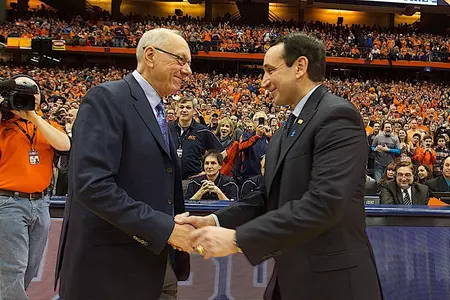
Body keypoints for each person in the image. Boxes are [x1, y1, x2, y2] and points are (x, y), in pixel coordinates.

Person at [178, 33, 382, 300]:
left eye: (270, 70)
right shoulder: (287, 129)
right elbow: (268, 198)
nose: (263, 82)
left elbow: (325, 203)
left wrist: (237, 239)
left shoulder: (337, 116)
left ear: (300, 67)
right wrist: (215, 220)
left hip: (333, 284)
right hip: (289, 280)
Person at [55, 28, 194, 300]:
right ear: (150, 55)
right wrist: (164, 229)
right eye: (180, 59)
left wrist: (171, 224)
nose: (187, 70)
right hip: (108, 272)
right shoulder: (106, 99)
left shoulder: (161, 112)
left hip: (154, 264)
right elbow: (93, 186)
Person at [0, 76, 71, 300]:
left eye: (34, 92)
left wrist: (33, 116)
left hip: (41, 204)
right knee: (13, 268)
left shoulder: (45, 125)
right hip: (9, 202)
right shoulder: (3, 124)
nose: (30, 97)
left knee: (30, 265)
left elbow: (65, 145)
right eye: (21, 93)